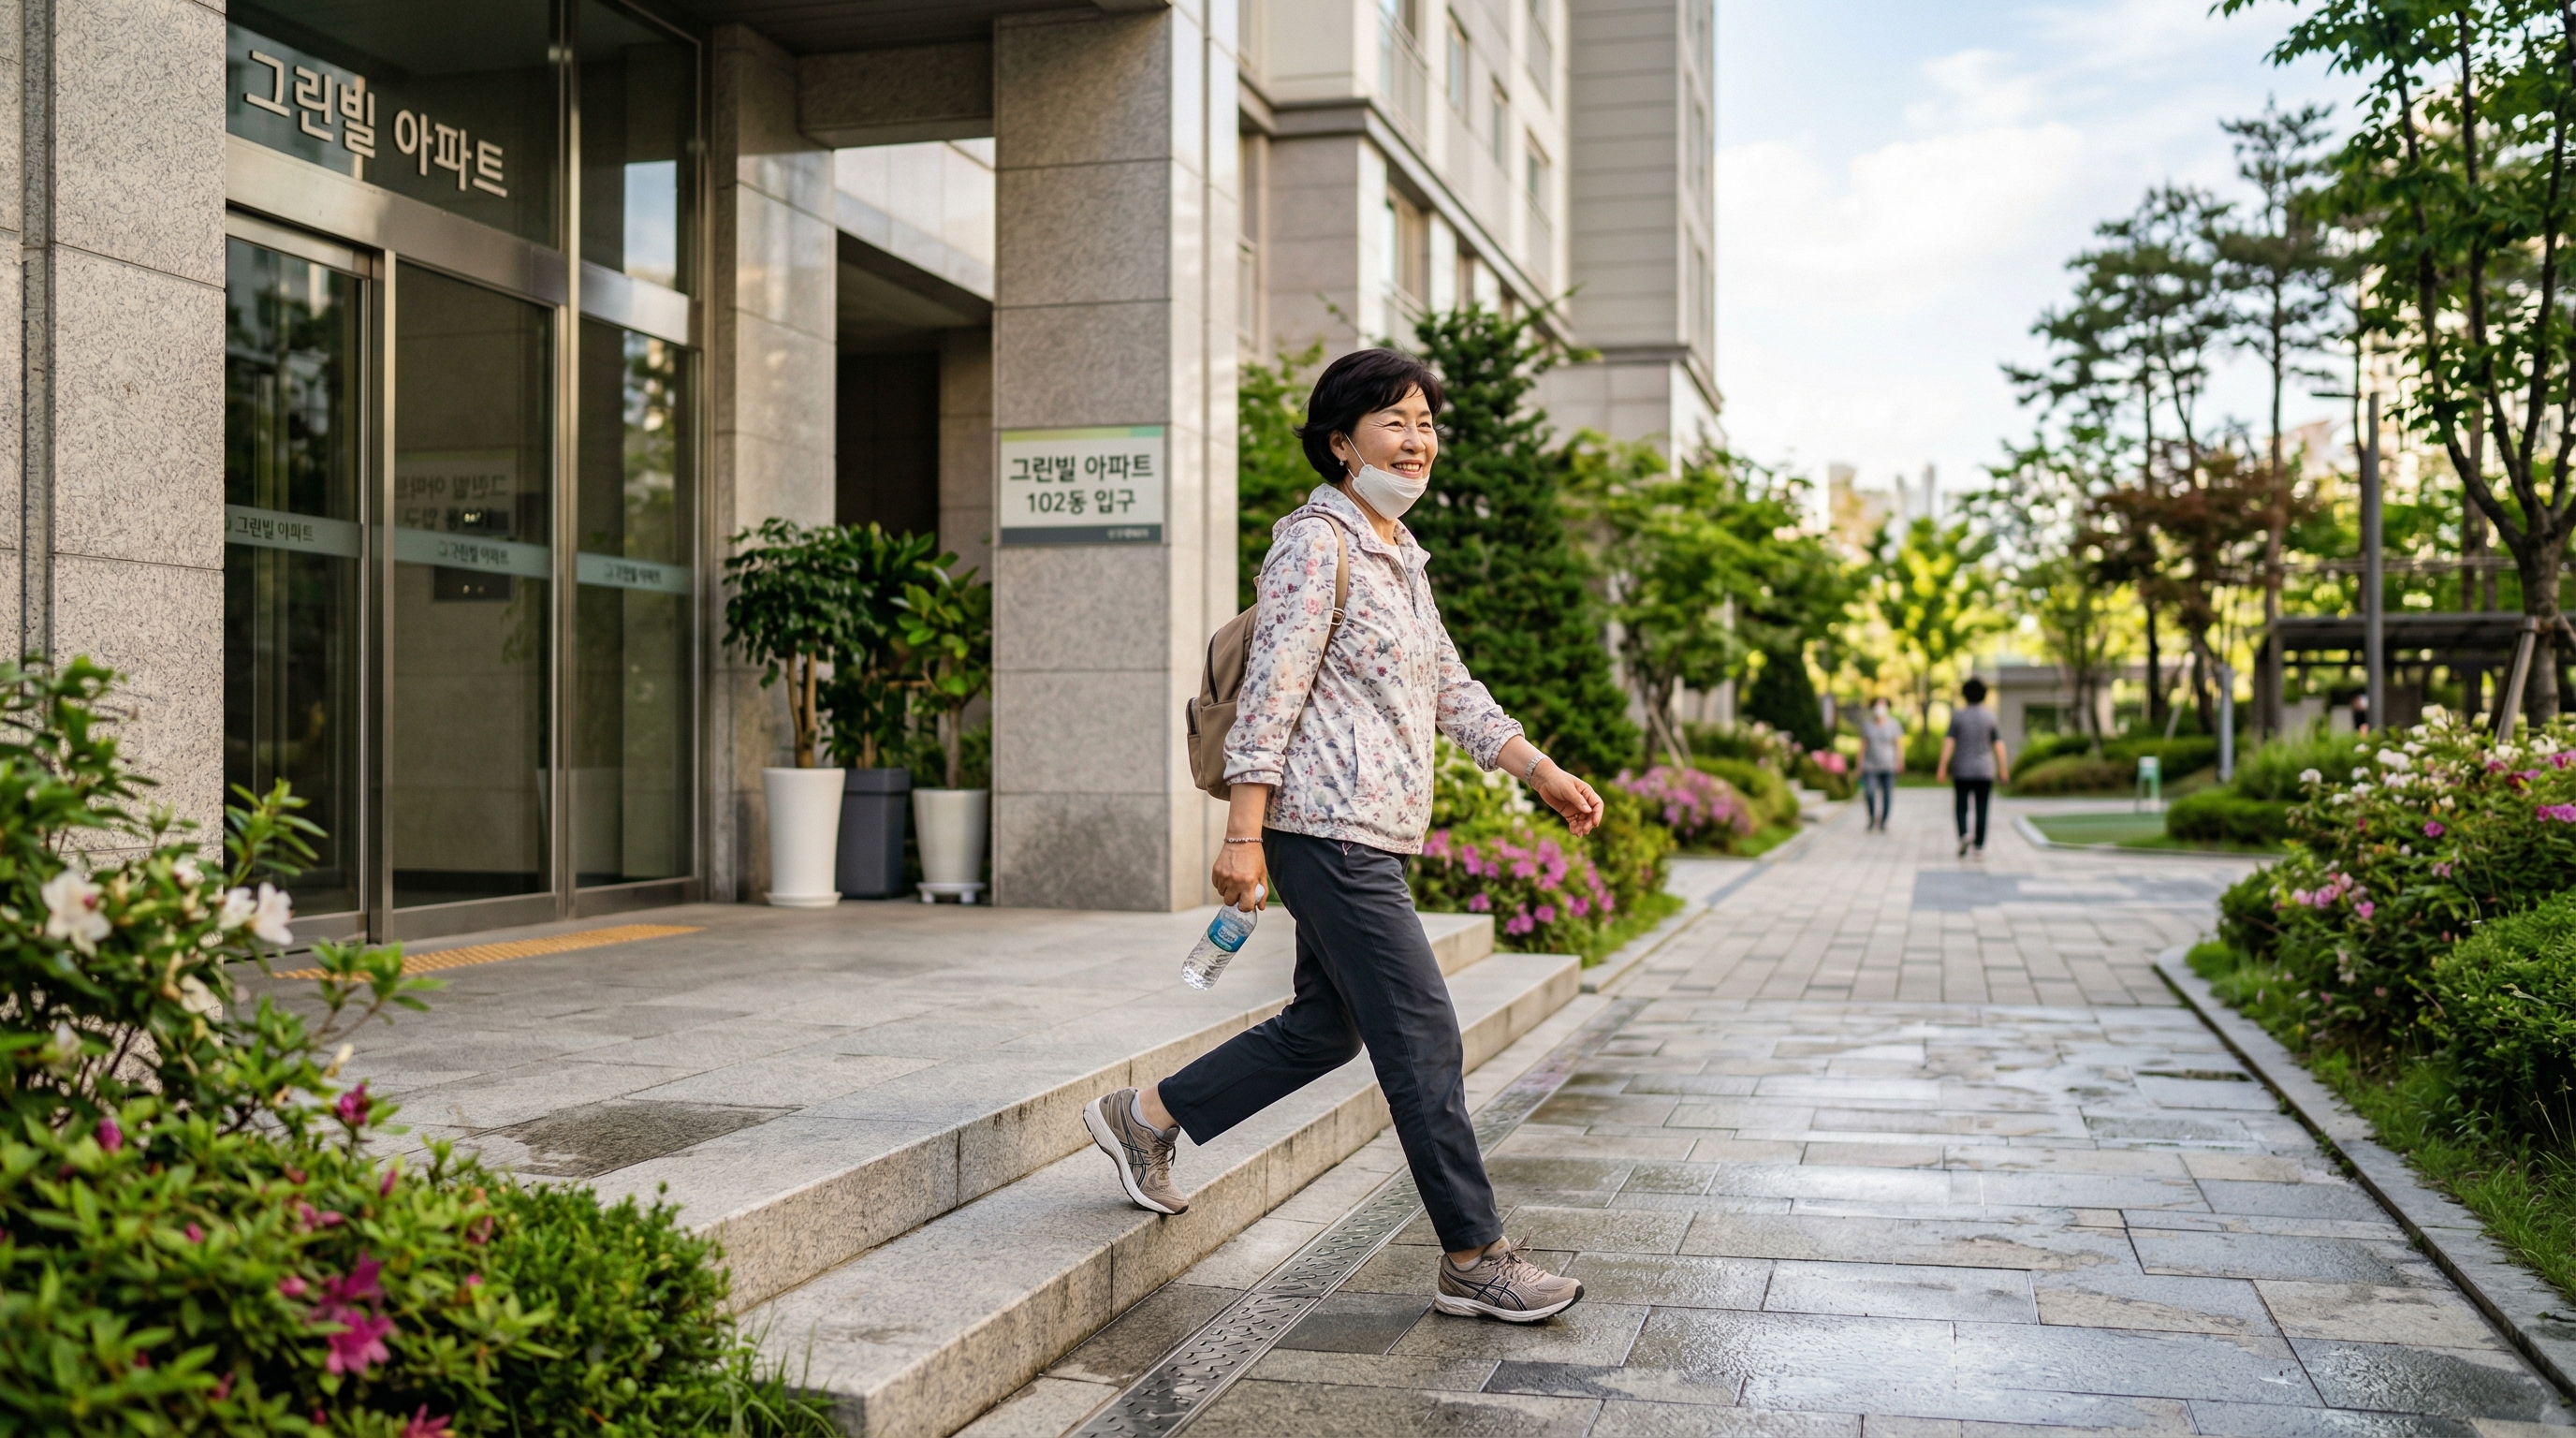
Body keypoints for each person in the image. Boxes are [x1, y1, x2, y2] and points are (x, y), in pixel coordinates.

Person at [1080, 348, 1607, 1324]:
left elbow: (1451, 686)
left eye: (1425, 424)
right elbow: (1270, 692)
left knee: (1326, 1030)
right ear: (1339, 441)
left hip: (1371, 830)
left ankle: (1144, 1117)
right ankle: (1472, 1254)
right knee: (1421, 1033)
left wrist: (1540, 770)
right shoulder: (1313, 544)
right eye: (1393, 423)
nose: (1417, 442)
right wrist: (1244, 837)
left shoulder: (1399, 557)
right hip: (1322, 829)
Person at [1935, 677, 2009, 856]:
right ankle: (1979, 845)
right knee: (1982, 807)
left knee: (1961, 806)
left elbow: (1949, 743)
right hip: (1985, 770)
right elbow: (1998, 745)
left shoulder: (1958, 716)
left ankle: (1964, 835)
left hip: (1962, 769)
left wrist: (1942, 767)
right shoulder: (1990, 716)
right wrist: (2003, 769)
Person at [1858, 698, 1903, 831]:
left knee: (1887, 795)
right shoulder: (1867, 725)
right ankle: (1872, 818)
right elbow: (1863, 746)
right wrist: (1859, 764)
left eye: (1882, 706)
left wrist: (1900, 760)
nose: (1880, 708)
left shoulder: (1894, 725)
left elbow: (1899, 745)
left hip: (1889, 766)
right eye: (1877, 706)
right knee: (1870, 793)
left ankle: (1883, 821)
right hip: (1870, 766)